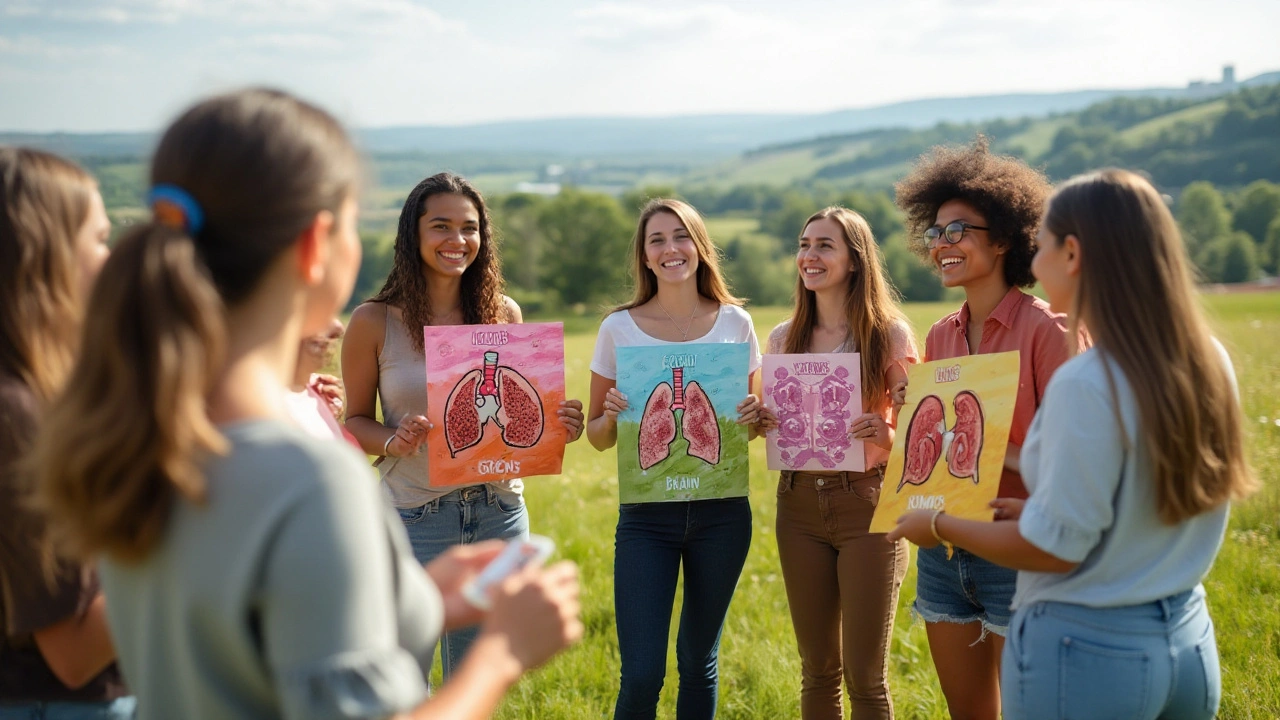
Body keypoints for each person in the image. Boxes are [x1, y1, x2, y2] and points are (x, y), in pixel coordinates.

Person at [31, 89, 582, 720]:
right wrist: (503, 654)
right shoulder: (310, 479)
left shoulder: (133, 437)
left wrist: (422, 599)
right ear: (316, 245)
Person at [888, 168, 1255, 720]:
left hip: (1088, 641)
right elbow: (1116, 493)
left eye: (1045, 247)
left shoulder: (1084, 378)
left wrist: (939, 525)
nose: (1036, 263)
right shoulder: (1207, 357)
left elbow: (1057, 547)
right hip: (1183, 628)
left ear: (1073, 253)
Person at [342, 171, 586, 678]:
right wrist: (393, 438)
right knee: (402, 678)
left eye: (469, 228)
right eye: (441, 226)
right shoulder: (373, 321)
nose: (458, 241)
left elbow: (521, 420)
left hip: (498, 511)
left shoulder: (503, 313)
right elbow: (355, 422)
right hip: (413, 517)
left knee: (475, 678)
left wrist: (559, 423)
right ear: (414, 234)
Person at [891, 137, 1074, 719]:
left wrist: (992, 447)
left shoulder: (1048, 332)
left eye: (959, 231)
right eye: (936, 233)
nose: (943, 245)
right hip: (943, 554)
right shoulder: (940, 337)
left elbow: (1073, 458)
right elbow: (939, 453)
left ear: (1002, 239)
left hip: (1016, 550)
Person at [586, 198, 769, 720]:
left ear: (700, 246)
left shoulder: (736, 323)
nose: (671, 249)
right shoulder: (618, 329)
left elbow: (747, 431)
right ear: (644, 257)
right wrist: (613, 415)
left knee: (698, 660)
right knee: (642, 673)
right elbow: (598, 437)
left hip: (722, 514)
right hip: (647, 520)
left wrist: (756, 416)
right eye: (657, 240)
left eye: (681, 236)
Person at [760, 207, 917, 720]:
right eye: (805, 244)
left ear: (855, 260)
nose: (809, 255)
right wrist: (759, 420)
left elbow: (919, 433)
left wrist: (888, 431)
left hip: (867, 503)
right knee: (818, 670)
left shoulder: (890, 336)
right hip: (797, 504)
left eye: (825, 245)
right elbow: (775, 422)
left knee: (866, 678)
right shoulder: (783, 339)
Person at [0, 147, 133, 718]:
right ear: (45, 256)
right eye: (99, 240)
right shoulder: (16, 415)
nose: (110, 261)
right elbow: (73, 654)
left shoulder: (37, 392)